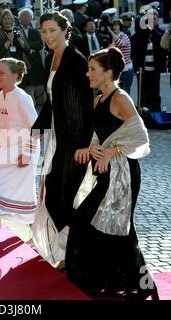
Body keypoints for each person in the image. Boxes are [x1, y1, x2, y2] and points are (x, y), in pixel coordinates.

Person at [65, 47, 159, 300]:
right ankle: (130, 282)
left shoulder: (121, 99)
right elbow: (97, 136)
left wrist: (111, 151)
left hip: (124, 176)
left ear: (108, 73)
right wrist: (91, 148)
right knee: (109, 228)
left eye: (93, 69)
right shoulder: (98, 100)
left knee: (107, 227)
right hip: (106, 176)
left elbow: (141, 138)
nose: (88, 74)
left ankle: (132, 283)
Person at [31, 11, 93, 270]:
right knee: (55, 192)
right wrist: (37, 128)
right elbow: (51, 100)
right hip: (58, 136)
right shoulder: (50, 60)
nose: (47, 36)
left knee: (62, 192)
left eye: (52, 30)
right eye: (44, 31)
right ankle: (66, 250)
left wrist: (83, 143)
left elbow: (87, 105)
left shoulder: (77, 61)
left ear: (64, 31)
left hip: (75, 140)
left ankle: (72, 252)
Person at [0, 58, 40, 243]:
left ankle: (35, 232)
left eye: (2, 73)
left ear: (14, 76)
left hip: (24, 149)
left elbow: (38, 128)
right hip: (9, 148)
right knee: (7, 186)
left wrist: (28, 153)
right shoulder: (0, 96)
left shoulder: (22, 97)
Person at [107, 19, 134, 94]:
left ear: (120, 27)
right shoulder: (113, 38)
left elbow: (120, 43)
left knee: (125, 94)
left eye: (116, 25)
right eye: (113, 26)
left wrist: (110, 31)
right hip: (117, 70)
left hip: (126, 71)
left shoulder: (124, 36)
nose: (114, 27)